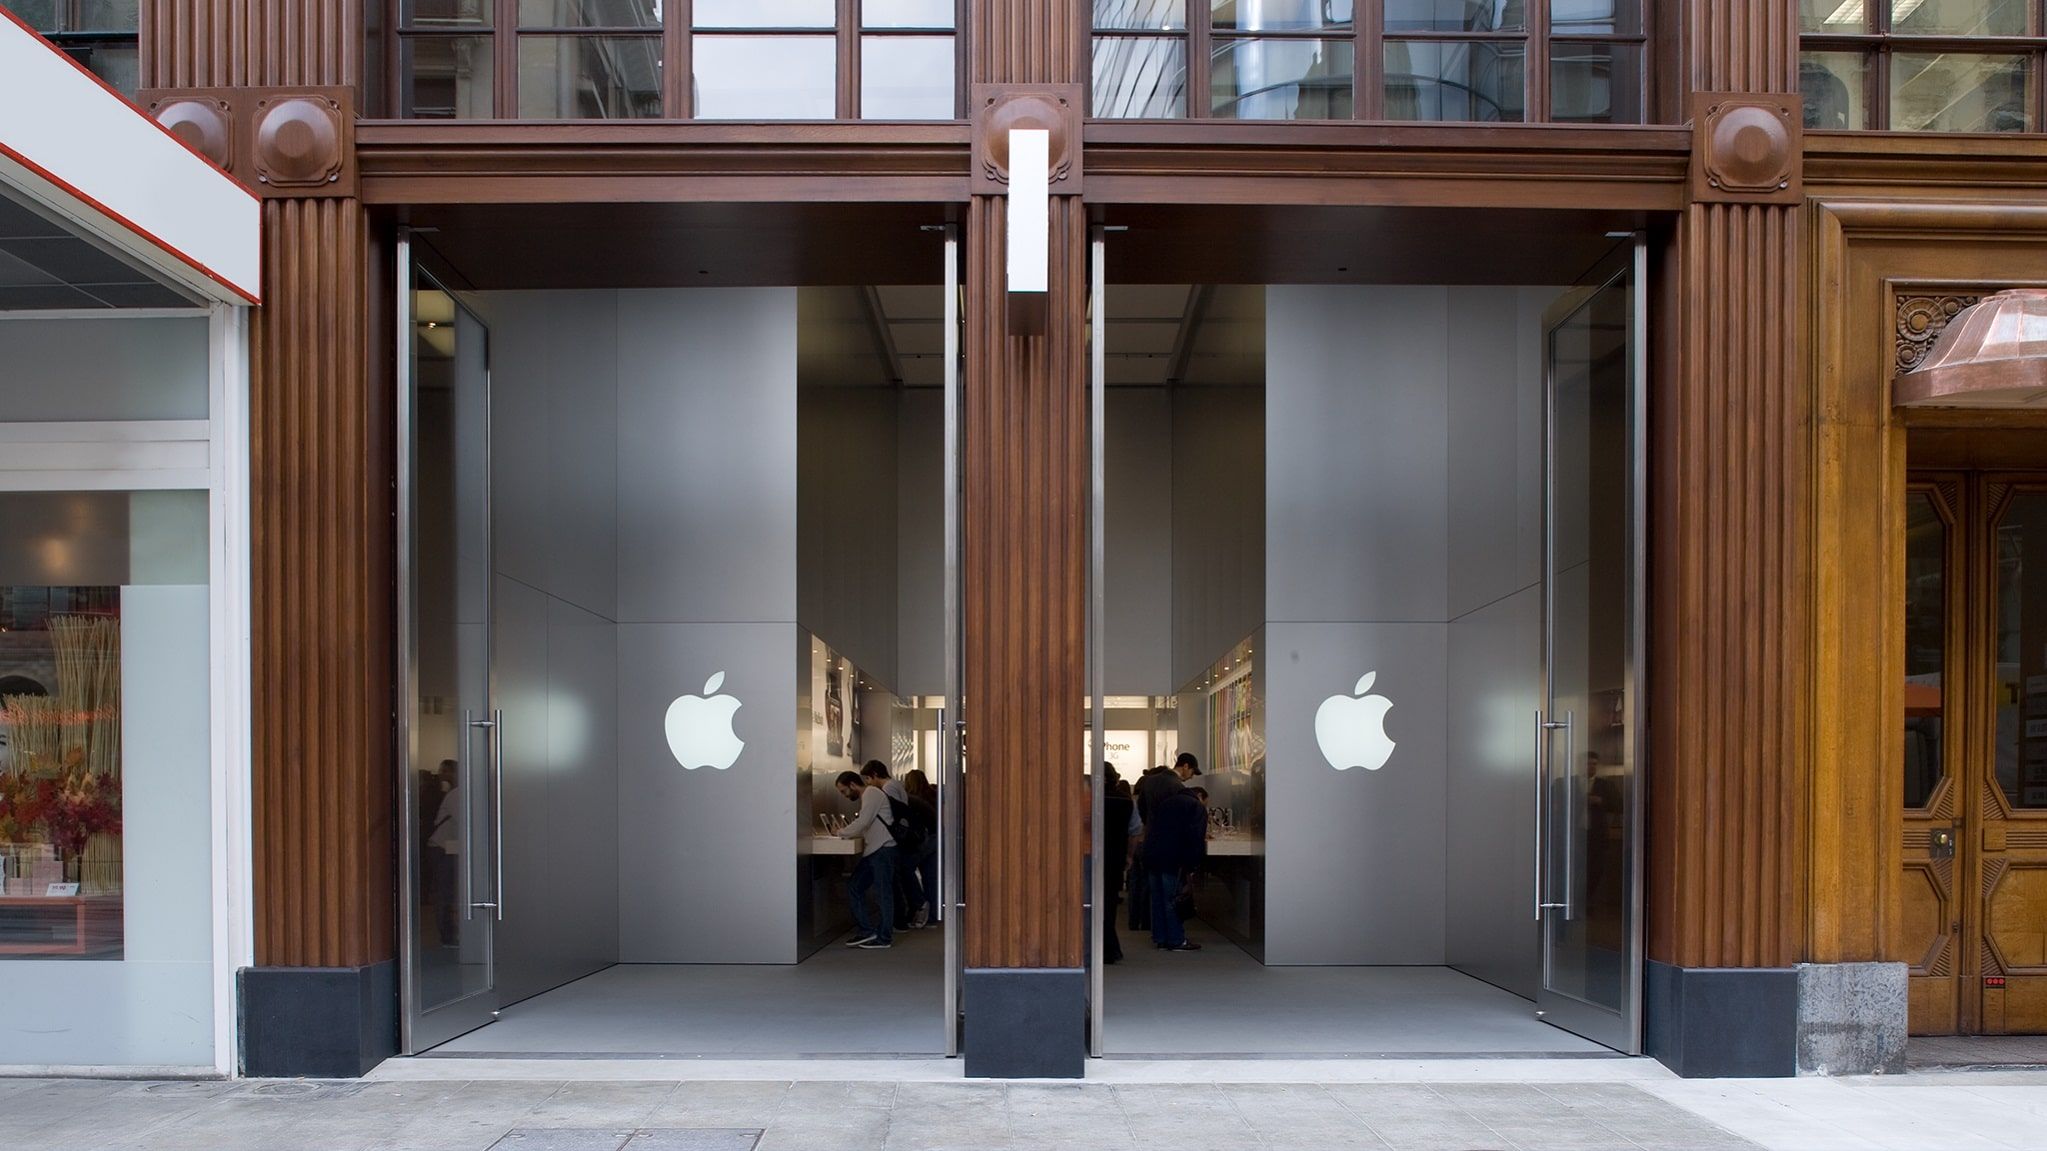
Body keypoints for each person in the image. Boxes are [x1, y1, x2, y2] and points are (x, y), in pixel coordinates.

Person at [863, 759, 934, 929]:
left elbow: (891, 815)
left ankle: (917, 905)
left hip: (903, 838)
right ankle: (916, 908)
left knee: (903, 871)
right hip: (922, 836)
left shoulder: (888, 789)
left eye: (868, 779)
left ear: (874, 775)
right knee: (909, 871)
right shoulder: (895, 785)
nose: (867, 784)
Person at [835, 770, 897, 949]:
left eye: (844, 791)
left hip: (881, 850)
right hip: (876, 851)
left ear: (853, 785)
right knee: (855, 886)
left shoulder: (871, 793)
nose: (845, 795)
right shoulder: (870, 795)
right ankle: (867, 930)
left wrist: (840, 832)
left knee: (882, 893)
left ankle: (883, 937)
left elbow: (863, 822)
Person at [1144, 782, 1206, 952]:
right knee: (1172, 899)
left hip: (1153, 856)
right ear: (1200, 797)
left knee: (1157, 899)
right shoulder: (1196, 806)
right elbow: (1195, 838)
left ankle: (1161, 938)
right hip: (1173, 859)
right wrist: (1192, 866)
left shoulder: (1166, 802)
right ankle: (1176, 939)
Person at [1103, 764, 1140, 964]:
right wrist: (1129, 856)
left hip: (1088, 857)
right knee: (1109, 905)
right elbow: (1135, 831)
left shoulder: (1086, 798)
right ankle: (1109, 948)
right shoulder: (1126, 801)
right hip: (1114, 858)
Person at [903, 768, 942, 926]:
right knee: (930, 878)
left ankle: (919, 905)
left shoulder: (911, 799)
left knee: (905, 868)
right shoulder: (934, 794)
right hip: (937, 837)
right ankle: (933, 917)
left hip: (923, 840)